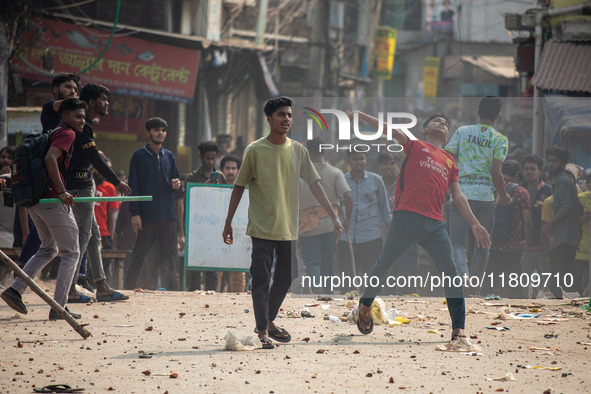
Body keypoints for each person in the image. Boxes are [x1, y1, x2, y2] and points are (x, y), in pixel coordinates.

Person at [348, 110, 489, 345]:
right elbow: (389, 129)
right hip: (407, 217)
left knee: (452, 274)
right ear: (425, 129)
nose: (442, 123)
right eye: (436, 121)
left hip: (435, 223)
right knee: (384, 264)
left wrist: (475, 224)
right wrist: (361, 115)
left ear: (447, 136)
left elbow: (458, 195)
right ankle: (365, 305)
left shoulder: (449, 161)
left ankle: (459, 330)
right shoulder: (415, 145)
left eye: (445, 122)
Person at [222, 97, 343, 349]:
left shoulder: (298, 150)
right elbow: (238, 187)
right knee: (261, 278)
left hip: (289, 228)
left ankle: (268, 319)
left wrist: (333, 215)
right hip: (262, 228)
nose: (286, 118)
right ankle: (264, 331)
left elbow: (314, 183)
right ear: (269, 119)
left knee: (288, 276)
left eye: (289, 114)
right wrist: (228, 222)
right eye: (280, 115)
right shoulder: (254, 150)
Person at [1, 98, 87, 320]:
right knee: (72, 252)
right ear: (65, 117)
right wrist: (61, 191)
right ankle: (59, 307)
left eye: (84, 117)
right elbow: (50, 159)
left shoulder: (51, 133)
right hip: (51, 201)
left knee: (48, 248)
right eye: (77, 116)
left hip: (36, 202)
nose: (82, 121)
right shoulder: (67, 134)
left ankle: (15, 288)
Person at [67, 83, 131, 303]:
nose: (107, 104)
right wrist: (117, 182)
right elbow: (95, 158)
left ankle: (101, 286)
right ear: (92, 102)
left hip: (86, 187)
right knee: (82, 238)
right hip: (79, 187)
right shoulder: (81, 127)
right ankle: (70, 289)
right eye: (104, 99)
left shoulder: (86, 125)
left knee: (93, 238)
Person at [445, 95, 510, 282]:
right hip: (485, 198)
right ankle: (474, 287)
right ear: (498, 116)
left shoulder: (462, 132)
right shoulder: (500, 140)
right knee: (483, 244)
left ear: (478, 113)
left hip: (460, 196)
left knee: (457, 242)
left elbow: (447, 158)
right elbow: (496, 173)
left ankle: (463, 275)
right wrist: (504, 196)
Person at [124, 117, 184, 291]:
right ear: (148, 133)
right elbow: (133, 185)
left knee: (170, 258)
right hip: (147, 216)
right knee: (139, 256)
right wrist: (135, 213)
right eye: (156, 130)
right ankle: (127, 290)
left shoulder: (169, 156)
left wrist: (176, 185)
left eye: (163, 130)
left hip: (168, 216)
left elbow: (175, 183)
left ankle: (173, 293)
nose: (160, 133)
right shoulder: (139, 156)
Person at [299, 137, 352, 294]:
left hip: (307, 225)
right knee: (328, 263)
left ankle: (314, 293)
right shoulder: (335, 172)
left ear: (307, 151)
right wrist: (347, 221)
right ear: (325, 150)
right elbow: (348, 196)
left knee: (312, 262)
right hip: (331, 225)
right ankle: (328, 293)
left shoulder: (300, 174)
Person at [335, 150, 391, 291]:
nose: (359, 162)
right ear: (349, 160)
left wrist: (392, 230)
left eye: (362, 159)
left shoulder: (376, 180)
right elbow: (335, 206)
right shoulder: (342, 180)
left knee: (371, 280)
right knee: (346, 280)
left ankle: (370, 309)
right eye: (355, 159)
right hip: (346, 239)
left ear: (366, 160)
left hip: (371, 238)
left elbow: (385, 209)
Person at [377, 151, 421, 295]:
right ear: (379, 166)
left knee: (407, 278)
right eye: (385, 164)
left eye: (392, 163)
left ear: (397, 165)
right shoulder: (375, 183)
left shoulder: (407, 182)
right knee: (386, 281)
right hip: (382, 238)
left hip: (407, 237)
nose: (388, 167)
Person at [485, 160, 531, 298]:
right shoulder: (522, 192)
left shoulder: (490, 188)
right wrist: (527, 242)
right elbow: (527, 221)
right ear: (517, 174)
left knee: (489, 281)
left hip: (489, 243)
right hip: (512, 246)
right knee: (512, 283)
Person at [542, 146, 583, 299]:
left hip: (567, 236)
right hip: (562, 235)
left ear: (562, 163)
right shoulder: (560, 181)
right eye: (549, 161)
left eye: (555, 161)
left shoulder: (564, 181)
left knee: (560, 275)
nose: (550, 164)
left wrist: (549, 224)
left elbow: (568, 206)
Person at [186, 141, 227, 291]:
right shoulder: (192, 177)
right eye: (207, 159)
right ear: (200, 157)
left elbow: (225, 198)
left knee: (213, 265)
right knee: (195, 265)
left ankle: (212, 293)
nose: (210, 162)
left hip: (215, 225)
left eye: (213, 159)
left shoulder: (221, 177)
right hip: (197, 226)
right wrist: (206, 186)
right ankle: (194, 293)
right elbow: (191, 200)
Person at [520, 154, 552, 298]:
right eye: (526, 169)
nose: (529, 172)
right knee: (522, 285)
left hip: (543, 247)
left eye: (533, 169)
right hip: (524, 247)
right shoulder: (519, 190)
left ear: (540, 171)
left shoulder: (548, 191)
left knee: (545, 287)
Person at [219, 154, 247, 292]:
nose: (230, 171)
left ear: (238, 170)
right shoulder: (214, 188)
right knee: (217, 273)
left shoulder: (246, 189)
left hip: (239, 236)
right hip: (217, 236)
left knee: (238, 275)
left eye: (233, 168)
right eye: (227, 168)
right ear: (222, 170)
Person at [575, 176, 591, 296]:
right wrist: (582, 219)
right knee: (578, 287)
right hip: (579, 250)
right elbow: (569, 222)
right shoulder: (580, 199)